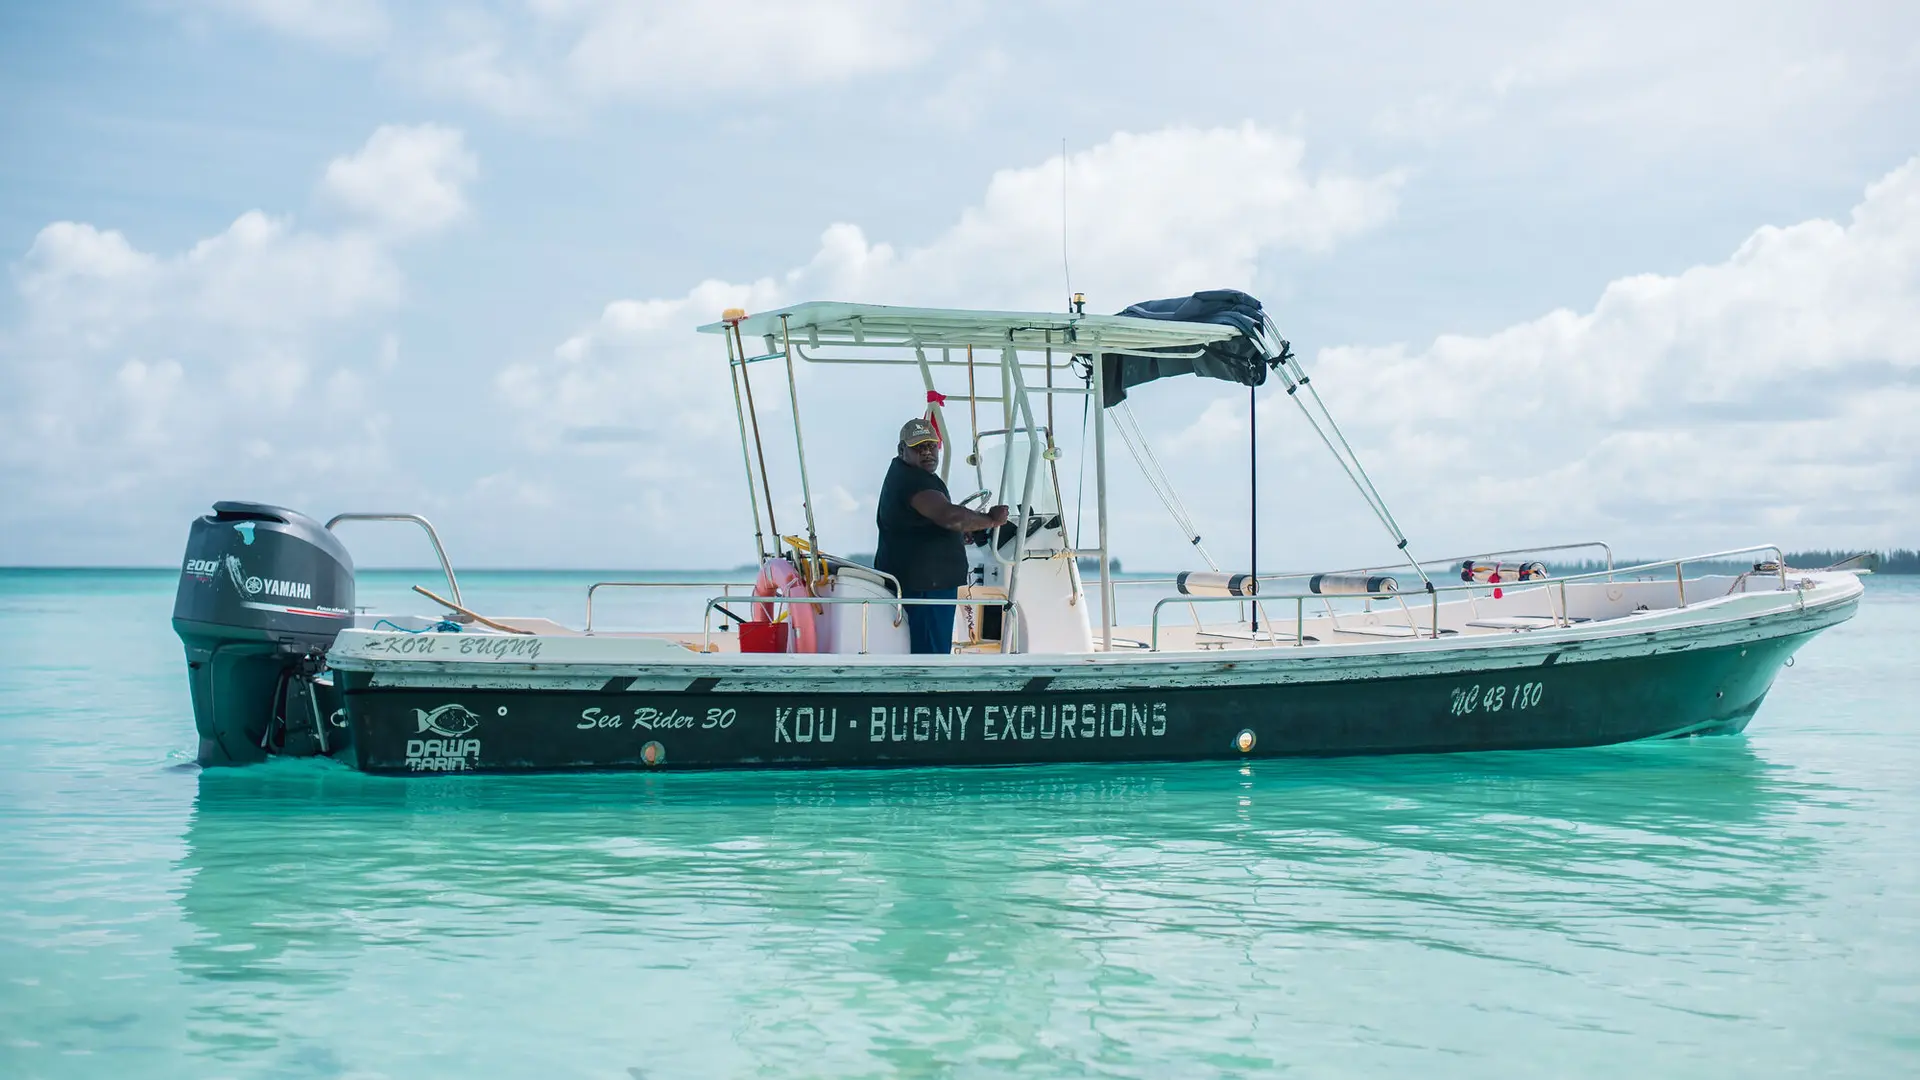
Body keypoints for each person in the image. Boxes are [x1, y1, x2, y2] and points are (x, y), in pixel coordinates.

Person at [874, 417, 1009, 655]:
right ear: (902, 449)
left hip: (924, 583)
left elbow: (934, 520)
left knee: (928, 650)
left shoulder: (909, 475)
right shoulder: (912, 480)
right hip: (926, 587)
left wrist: (961, 531)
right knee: (931, 657)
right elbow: (949, 516)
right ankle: (929, 692)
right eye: (919, 447)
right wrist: (991, 520)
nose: (927, 452)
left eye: (931, 446)